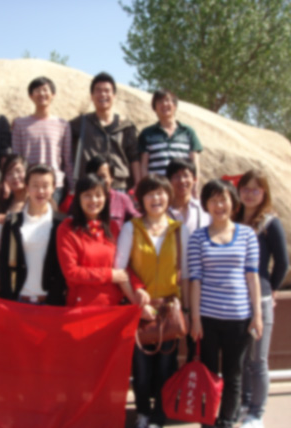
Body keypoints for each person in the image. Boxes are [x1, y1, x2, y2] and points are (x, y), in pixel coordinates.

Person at [115, 175, 189, 428]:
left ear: (169, 196)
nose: (156, 198)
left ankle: (159, 415)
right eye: (150, 194)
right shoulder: (131, 228)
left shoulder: (179, 230)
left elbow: (186, 274)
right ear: (141, 199)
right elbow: (120, 270)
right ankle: (143, 413)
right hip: (140, 310)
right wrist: (137, 301)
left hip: (169, 308)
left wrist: (184, 306)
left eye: (161, 193)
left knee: (166, 366)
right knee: (142, 368)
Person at [189, 179, 263, 428]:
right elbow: (195, 280)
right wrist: (195, 319)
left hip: (239, 319)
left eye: (224, 200)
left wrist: (257, 315)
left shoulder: (247, 235)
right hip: (207, 319)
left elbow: (252, 277)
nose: (219, 205)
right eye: (213, 200)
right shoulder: (197, 237)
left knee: (234, 376)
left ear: (233, 203)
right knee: (208, 376)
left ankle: (227, 421)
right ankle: (208, 422)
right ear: (206, 204)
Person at [235, 170, 289, 428]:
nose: (249, 194)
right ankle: (244, 404)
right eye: (245, 189)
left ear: (264, 192)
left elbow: (282, 262)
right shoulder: (234, 219)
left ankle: (257, 413)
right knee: (243, 359)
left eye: (255, 189)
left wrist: (272, 288)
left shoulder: (269, 223)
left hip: (262, 298)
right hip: (237, 299)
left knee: (258, 360)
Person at [56, 174, 131, 307]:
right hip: (82, 306)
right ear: (78, 198)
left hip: (113, 305)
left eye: (98, 195)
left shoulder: (113, 227)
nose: (93, 200)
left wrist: (138, 291)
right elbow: (71, 272)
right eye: (87, 195)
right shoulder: (67, 229)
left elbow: (125, 265)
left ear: (106, 198)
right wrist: (109, 275)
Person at [0, 165, 66, 305]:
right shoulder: (12, 222)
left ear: (53, 188)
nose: (40, 191)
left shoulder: (62, 223)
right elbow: (4, 263)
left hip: (50, 303)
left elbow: (64, 267)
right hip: (19, 300)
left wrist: (55, 297)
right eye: (35, 185)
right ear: (27, 187)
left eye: (45, 186)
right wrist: (8, 296)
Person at [166, 157, 211, 363]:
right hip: (169, 284)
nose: (182, 181)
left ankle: (193, 377)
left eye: (186, 175)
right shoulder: (161, 211)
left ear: (194, 179)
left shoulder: (205, 210)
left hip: (199, 283)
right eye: (176, 176)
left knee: (197, 339)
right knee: (169, 341)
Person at [69, 72, 140, 191]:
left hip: (118, 186)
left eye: (107, 90)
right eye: (98, 90)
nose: (102, 94)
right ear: (92, 96)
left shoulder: (126, 126)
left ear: (114, 95)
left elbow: (134, 157)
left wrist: (138, 184)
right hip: (89, 185)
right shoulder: (80, 123)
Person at [12, 77, 73, 204]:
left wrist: (72, 187)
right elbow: (16, 159)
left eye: (45, 90)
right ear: (31, 96)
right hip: (29, 185)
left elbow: (67, 160)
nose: (42, 93)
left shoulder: (63, 124)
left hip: (55, 186)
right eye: (37, 90)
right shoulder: (20, 124)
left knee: (53, 217)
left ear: (53, 94)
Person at [139, 89, 202, 195]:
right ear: (154, 108)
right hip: (158, 189)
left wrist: (195, 185)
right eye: (160, 101)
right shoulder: (147, 133)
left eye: (168, 100)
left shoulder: (187, 132)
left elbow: (195, 161)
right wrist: (146, 187)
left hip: (182, 187)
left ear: (175, 105)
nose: (164, 104)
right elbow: (144, 165)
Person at [85, 154, 139, 230]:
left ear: (112, 177)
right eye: (95, 177)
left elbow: (138, 221)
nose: (98, 181)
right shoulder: (81, 199)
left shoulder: (122, 199)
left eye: (102, 177)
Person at [0, 154, 28, 223]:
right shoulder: (3, 203)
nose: (15, 176)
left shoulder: (37, 199)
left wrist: (8, 218)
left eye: (19, 171)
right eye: (9, 173)